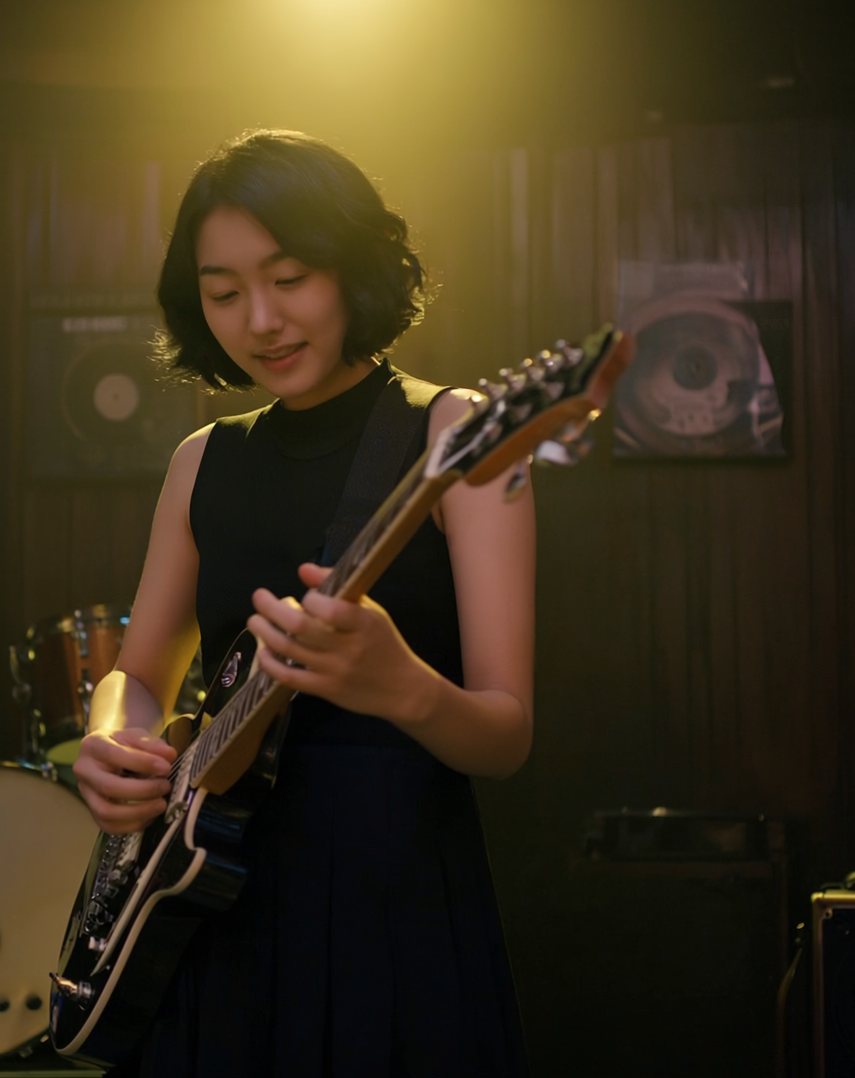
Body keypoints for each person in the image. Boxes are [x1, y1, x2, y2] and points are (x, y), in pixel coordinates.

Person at [73, 129, 533, 1077]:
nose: (260, 321)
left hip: (391, 902)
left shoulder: (462, 432)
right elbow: (139, 671)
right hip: (203, 899)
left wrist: (401, 686)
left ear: (353, 269)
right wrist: (114, 739)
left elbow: (506, 734)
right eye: (224, 292)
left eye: (290, 278)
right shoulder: (202, 460)